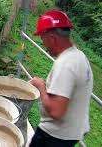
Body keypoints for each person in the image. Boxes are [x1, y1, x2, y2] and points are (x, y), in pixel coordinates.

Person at [29, 10, 93, 147]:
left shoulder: (65, 65)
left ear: (52, 38)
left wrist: (41, 86)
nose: (43, 44)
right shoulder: (79, 55)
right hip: (71, 132)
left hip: (55, 136)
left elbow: (56, 111)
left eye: (43, 38)